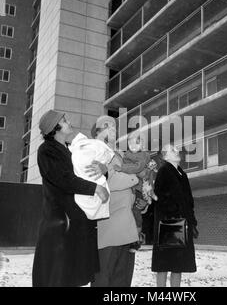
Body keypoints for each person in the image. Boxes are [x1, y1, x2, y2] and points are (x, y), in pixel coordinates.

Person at [32, 110, 109, 287]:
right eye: (65, 121)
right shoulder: (47, 150)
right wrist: (94, 188)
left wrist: (103, 170)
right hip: (60, 222)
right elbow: (63, 178)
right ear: (55, 128)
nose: (69, 122)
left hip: (74, 221)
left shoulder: (69, 149)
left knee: (71, 277)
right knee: (57, 276)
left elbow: (85, 174)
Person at [90, 118, 140, 287]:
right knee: (104, 278)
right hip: (108, 225)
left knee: (122, 280)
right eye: (106, 126)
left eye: (113, 125)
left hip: (126, 224)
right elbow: (109, 179)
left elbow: (124, 178)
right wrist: (136, 178)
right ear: (96, 131)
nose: (112, 128)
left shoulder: (120, 153)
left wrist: (139, 198)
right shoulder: (95, 149)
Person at [151, 144, 199, 287]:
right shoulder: (164, 171)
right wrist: (173, 213)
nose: (177, 151)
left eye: (176, 149)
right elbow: (160, 198)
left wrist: (192, 221)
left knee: (178, 266)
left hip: (182, 224)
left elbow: (189, 201)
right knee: (164, 265)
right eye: (173, 150)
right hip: (169, 224)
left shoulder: (182, 174)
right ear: (165, 156)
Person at [113, 133, 158, 251]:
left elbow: (138, 168)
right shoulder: (126, 154)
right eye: (130, 143)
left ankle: (136, 238)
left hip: (140, 187)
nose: (132, 145)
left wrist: (122, 168)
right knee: (132, 211)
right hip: (132, 188)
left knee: (136, 211)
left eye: (136, 143)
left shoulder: (143, 155)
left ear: (142, 145)